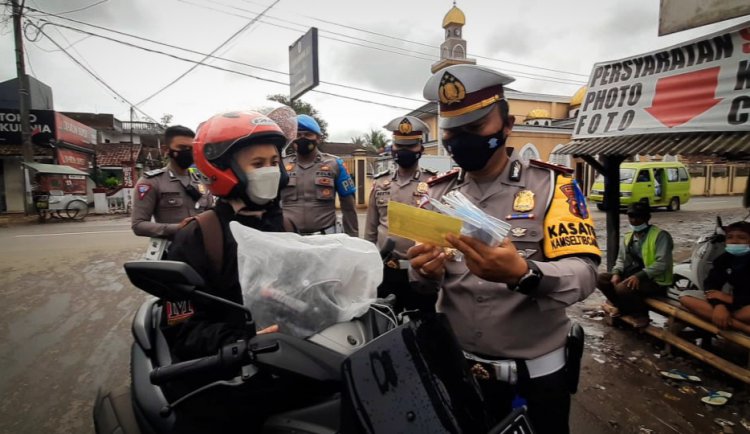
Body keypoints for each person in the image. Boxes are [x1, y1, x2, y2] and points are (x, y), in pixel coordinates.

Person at [407, 64, 601, 434]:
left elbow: (585, 272)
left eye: (476, 128)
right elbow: (425, 279)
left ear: (507, 125)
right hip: (459, 370)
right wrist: (423, 270)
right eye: (453, 131)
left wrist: (525, 275)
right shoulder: (434, 195)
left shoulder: (551, 186)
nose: (462, 140)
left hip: (536, 379)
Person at [165, 110, 303, 433]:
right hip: (226, 380)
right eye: (258, 164)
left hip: (291, 367)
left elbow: (305, 290)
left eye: (273, 161)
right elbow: (181, 328)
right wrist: (243, 339)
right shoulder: (198, 235)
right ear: (223, 169)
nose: (270, 170)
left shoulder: (288, 226)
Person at [364, 115, 437, 313]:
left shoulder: (433, 184)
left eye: (410, 146)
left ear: (421, 149)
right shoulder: (380, 183)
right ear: (393, 148)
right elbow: (370, 231)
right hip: (386, 270)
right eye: (399, 145)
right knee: (383, 325)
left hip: (419, 271)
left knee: (422, 329)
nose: (403, 151)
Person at [597, 201, 674, 327]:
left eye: (638, 217)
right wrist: (616, 273)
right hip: (634, 275)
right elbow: (621, 260)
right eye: (631, 217)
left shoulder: (660, 236)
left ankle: (640, 314)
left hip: (655, 280)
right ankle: (623, 307)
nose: (634, 220)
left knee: (623, 287)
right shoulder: (628, 237)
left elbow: (662, 263)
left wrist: (639, 276)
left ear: (647, 218)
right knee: (601, 279)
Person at [280, 114, 358, 236]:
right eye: (298, 135)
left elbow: (348, 207)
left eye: (308, 135)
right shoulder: (281, 166)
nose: (302, 138)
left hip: (326, 239)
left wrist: (353, 239)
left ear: (318, 138)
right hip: (290, 239)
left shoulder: (335, 164)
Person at [131, 125, 213, 238]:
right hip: (172, 250)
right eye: (182, 148)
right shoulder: (152, 181)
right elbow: (138, 225)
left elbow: (211, 215)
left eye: (191, 148)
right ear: (166, 150)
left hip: (204, 247)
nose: (188, 152)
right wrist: (177, 228)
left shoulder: (201, 180)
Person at [680, 221, 750, 335]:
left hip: (744, 304)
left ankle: (728, 319)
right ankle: (743, 327)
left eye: (742, 238)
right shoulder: (724, 259)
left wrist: (730, 299)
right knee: (685, 297)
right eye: (730, 237)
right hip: (731, 305)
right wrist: (719, 305)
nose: (735, 241)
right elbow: (711, 283)